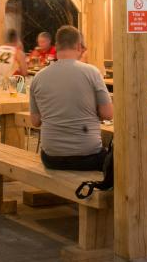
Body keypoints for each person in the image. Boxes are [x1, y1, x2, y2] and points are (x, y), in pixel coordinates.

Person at [29, 26, 113, 171]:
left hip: (51, 158)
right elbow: (108, 114)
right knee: (122, 162)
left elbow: (35, 121)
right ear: (79, 46)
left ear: (57, 46)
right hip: (88, 157)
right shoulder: (92, 72)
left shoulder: (38, 77)